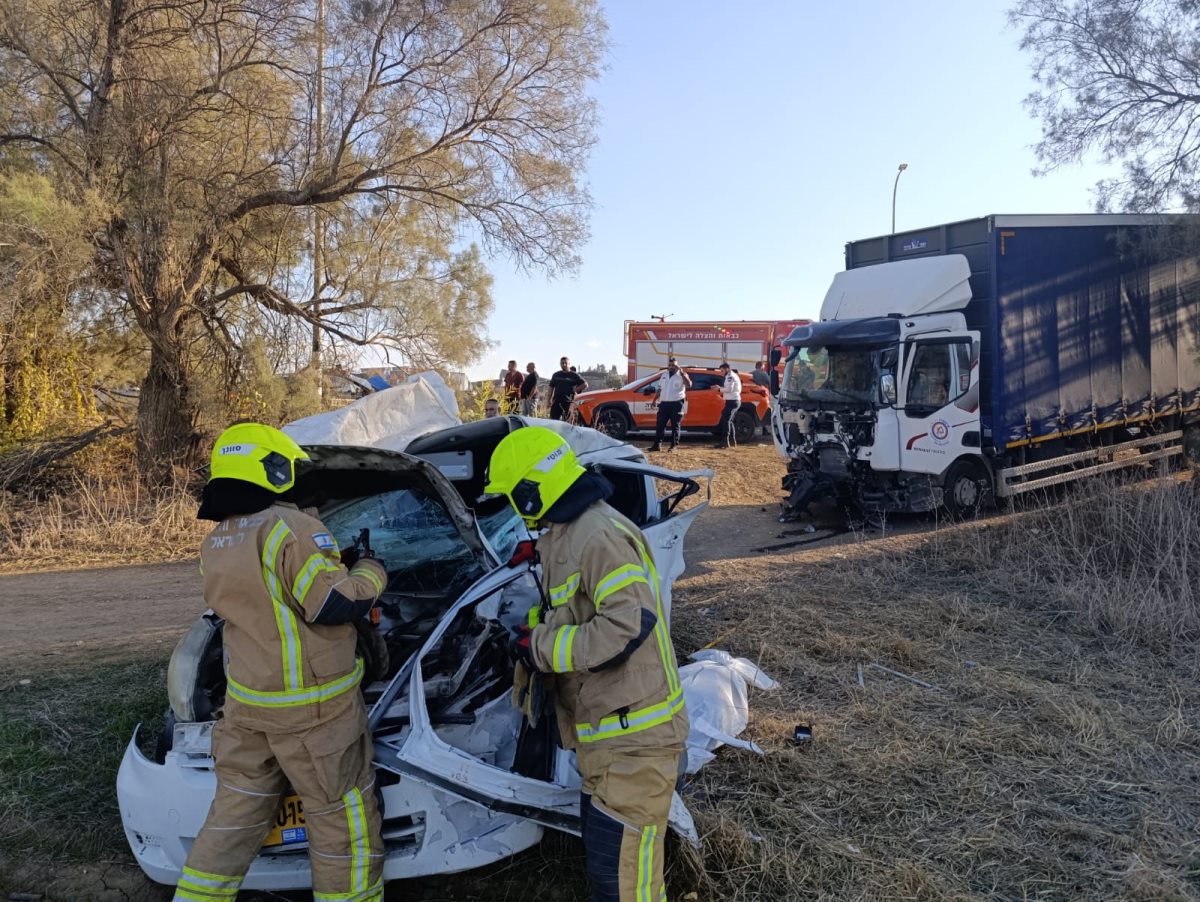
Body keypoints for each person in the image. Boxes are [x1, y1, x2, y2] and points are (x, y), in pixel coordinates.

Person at [174, 423, 388, 902]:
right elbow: (332, 603)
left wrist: (330, 566)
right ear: (273, 469)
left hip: (248, 707)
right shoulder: (293, 528)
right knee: (340, 817)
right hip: (313, 710)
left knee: (234, 814)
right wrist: (370, 572)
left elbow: (266, 598)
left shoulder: (217, 541)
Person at [484, 427, 687, 902]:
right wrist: (541, 551)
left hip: (635, 744)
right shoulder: (572, 531)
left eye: (513, 497)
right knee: (615, 876)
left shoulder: (598, 536)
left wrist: (540, 648)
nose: (515, 508)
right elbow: (576, 598)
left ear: (532, 491)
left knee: (626, 887)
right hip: (611, 740)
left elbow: (628, 624)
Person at [648, 356, 690, 452]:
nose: (671, 367)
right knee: (660, 425)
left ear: (677, 366)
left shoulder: (682, 375)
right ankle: (657, 445)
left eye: (673, 365)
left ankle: (673, 446)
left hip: (676, 404)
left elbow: (689, 385)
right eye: (669, 365)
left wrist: (682, 374)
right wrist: (654, 400)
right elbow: (659, 389)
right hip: (664, 404)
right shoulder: (664, 375)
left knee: (675, 426)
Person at [549, 356, 588, 421]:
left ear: (569, 364)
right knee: (554, 421)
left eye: (566, 363)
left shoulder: (574, 375)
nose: (564, 364)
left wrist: (575, 390)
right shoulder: (556, 375)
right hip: (556, 402)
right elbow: (551, 387)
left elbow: (585, 384)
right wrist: (549, 400)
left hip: (568, 403)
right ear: (560, 364)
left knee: (567, 422)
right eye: (562, 363)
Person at [712, 362, 741, 448]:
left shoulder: (730, 376)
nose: (721, 372)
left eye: (722, 370)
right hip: (733, 400)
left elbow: (729, 389)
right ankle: (732, 441)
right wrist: (720, 388)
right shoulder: (732, 375)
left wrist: (719, 389)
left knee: (726, 420)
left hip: (732, 401)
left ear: (727, 369)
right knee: (729, 420)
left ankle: (725, 441)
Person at [752, 361, 772, 436]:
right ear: (761, 366)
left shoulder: (750, 374)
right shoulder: (764, 374)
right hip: (762, 395)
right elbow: (770, 383)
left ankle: (753, 429)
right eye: (763, 366)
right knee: (764, 412)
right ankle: (764, 430)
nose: (764, 368)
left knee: (755, 412)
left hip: (753, 396)